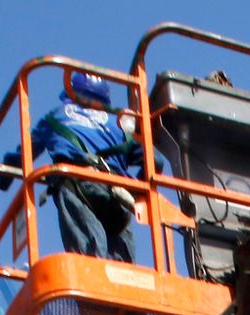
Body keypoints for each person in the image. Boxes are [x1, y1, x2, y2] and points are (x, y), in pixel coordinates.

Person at [20, 74, 153, 264]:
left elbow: (25, 152)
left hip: (76, 183)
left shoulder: (56, 116)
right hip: (119, 193)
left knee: (90, 262)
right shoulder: (118, 123)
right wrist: (139, 193)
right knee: (123, 271)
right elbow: (154, 160)